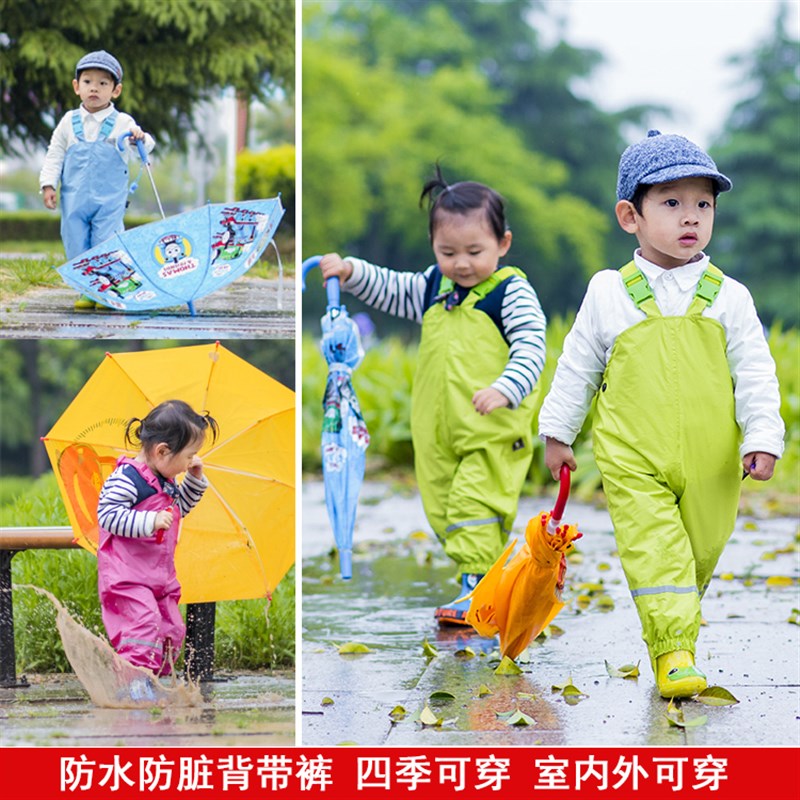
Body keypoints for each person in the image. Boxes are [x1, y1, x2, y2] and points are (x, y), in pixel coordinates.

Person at [538, 130, 785, 698]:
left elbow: (755, 372)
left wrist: (763, 435)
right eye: (671, 203)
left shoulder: (730, 295)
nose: (690, 217)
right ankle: (673, 653)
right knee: (655, 550)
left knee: (696, 554)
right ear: (631, 216)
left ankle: (677, 637)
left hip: (714, 461)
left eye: (703, 204)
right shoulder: (609, 292)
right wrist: (558, 432)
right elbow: (577, 365)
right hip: (634, 456)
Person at [320, 165, 547, 625]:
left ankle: (477, 590)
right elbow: (390, 286)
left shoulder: (508, 293)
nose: (461, 263)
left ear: (503, 243)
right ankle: (492, 577)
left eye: (474, 251)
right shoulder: (433, 288)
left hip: (491, 429)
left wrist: (506, 388)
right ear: (434, 249)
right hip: (438, 432)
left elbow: (531, 345)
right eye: (448, 252)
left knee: (473, 507)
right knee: (443, 509)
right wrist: (350, 272)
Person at [96, 400, 218, 698]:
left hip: (159, 575)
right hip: (128, 576)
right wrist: (149, 520)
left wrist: (194, 480)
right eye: (189, 456)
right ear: (162, 451)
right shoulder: (128, 478)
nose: (192, 460)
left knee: (171, 629)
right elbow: (107, 515)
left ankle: (154, 679)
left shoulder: (167, 480)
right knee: (143, 624)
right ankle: (133, 683)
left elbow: (179, 510)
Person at [39, 50, 155, 310]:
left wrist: (140, 138)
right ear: (76, 87)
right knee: (75, 239)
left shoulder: (123, 121)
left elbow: (144, 149)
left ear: (116, 91)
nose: (95, 88)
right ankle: (86, 289)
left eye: (103, 83)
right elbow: (55, 152)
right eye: (88, 82)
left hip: (109, 200)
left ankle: (108, 290)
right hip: (74, 197)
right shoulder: (69, 121)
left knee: (107, 241)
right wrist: (48, 184)